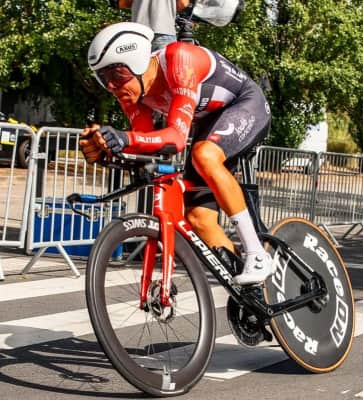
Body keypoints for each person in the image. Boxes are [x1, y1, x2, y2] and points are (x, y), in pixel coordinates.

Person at [80, 22, 275, 285]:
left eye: (117, 74)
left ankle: (256, 254)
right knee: (199, 219)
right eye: (104, 79)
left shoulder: (178, 59)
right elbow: (147, 143)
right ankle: (250, 292)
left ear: (137, 62)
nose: (112, 86)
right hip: (209, 122)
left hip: (246, 104)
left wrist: (124, 138)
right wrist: (107, 149)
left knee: (204, 155)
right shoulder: (130, 93)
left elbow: (175, 139)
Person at [113, 0, 190, 51]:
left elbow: (122, 3)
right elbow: (183, 3)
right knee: (164, 68)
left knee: (139, 68)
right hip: (165, 30)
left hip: (139, 32)